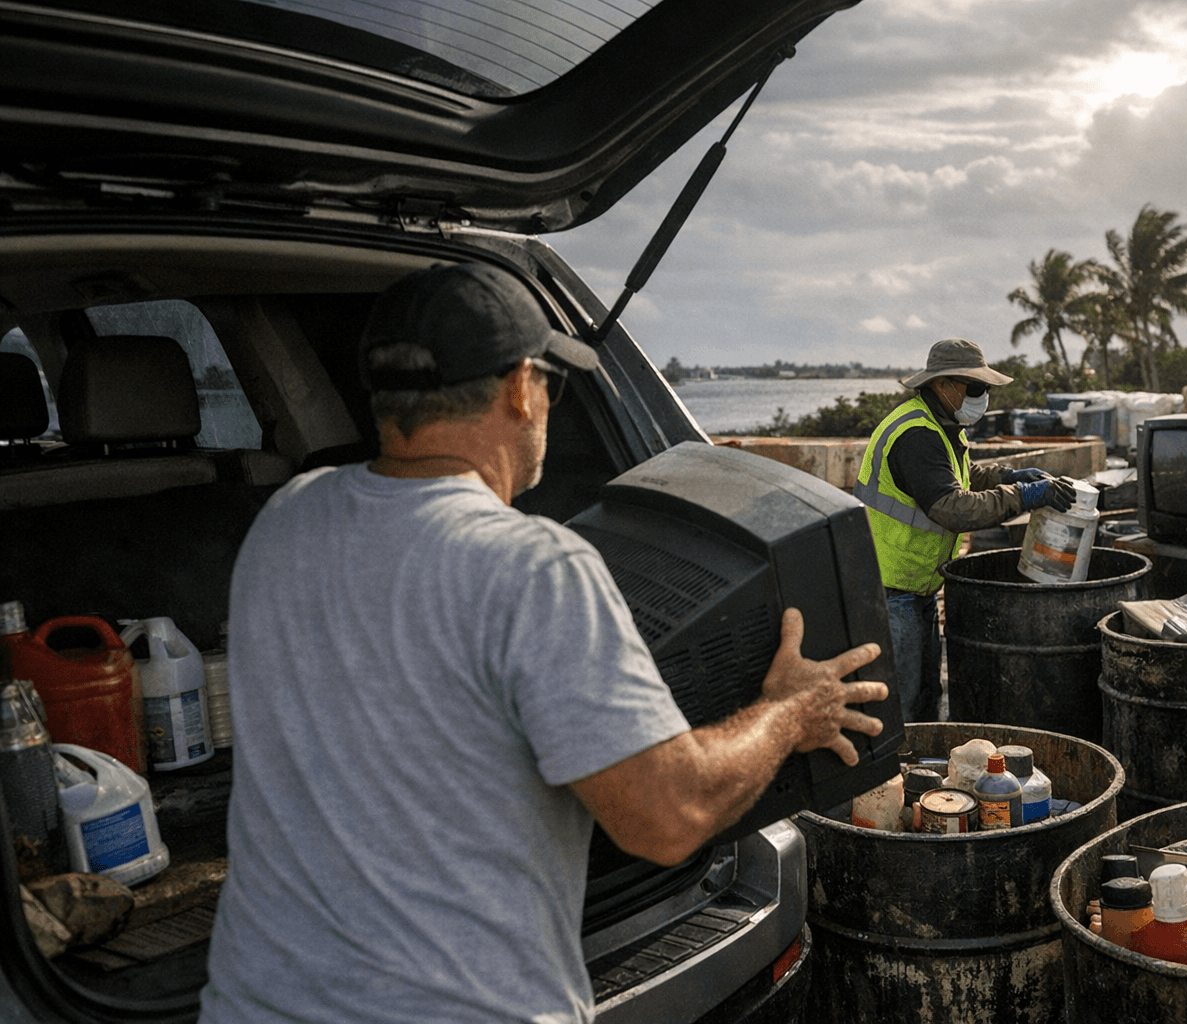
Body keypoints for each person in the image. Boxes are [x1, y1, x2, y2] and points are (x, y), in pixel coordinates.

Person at [199, 262, 887, 1024]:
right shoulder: (533, 567)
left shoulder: (286, 520)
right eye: (549, 385)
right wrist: (790, 711)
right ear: (521, 388)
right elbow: (672, 817)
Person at [854, 338, 1074, 722]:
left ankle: (919, 772)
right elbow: (953, 508)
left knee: (925, 696)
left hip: (913, 585)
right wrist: (1023, 496)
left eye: (985, 388)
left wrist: (1007, 475)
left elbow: (958, 476)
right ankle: (895, 778)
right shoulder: (917, 435)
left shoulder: (941, 424)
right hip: (890, 589)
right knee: (901, 705)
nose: (983, 396)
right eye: (975, 388)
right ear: (943, 385)